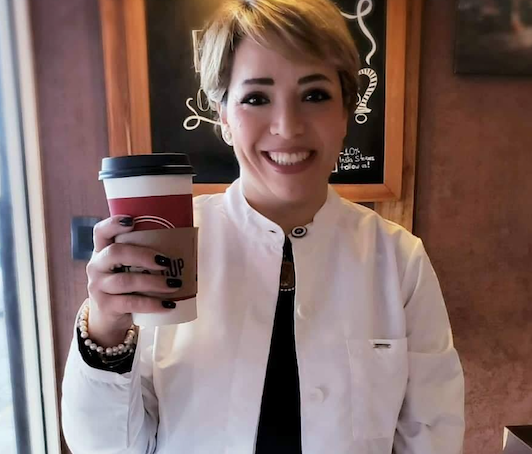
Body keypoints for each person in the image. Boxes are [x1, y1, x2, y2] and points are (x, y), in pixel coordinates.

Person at [61, 0, 465, 453]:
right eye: (256, 98)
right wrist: (105, 330)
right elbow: (106, 447)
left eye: (315, 95)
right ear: (223, 116)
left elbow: (433, 436)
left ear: (346, 112)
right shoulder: (165, 250)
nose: (287, 127)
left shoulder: (399, 260)